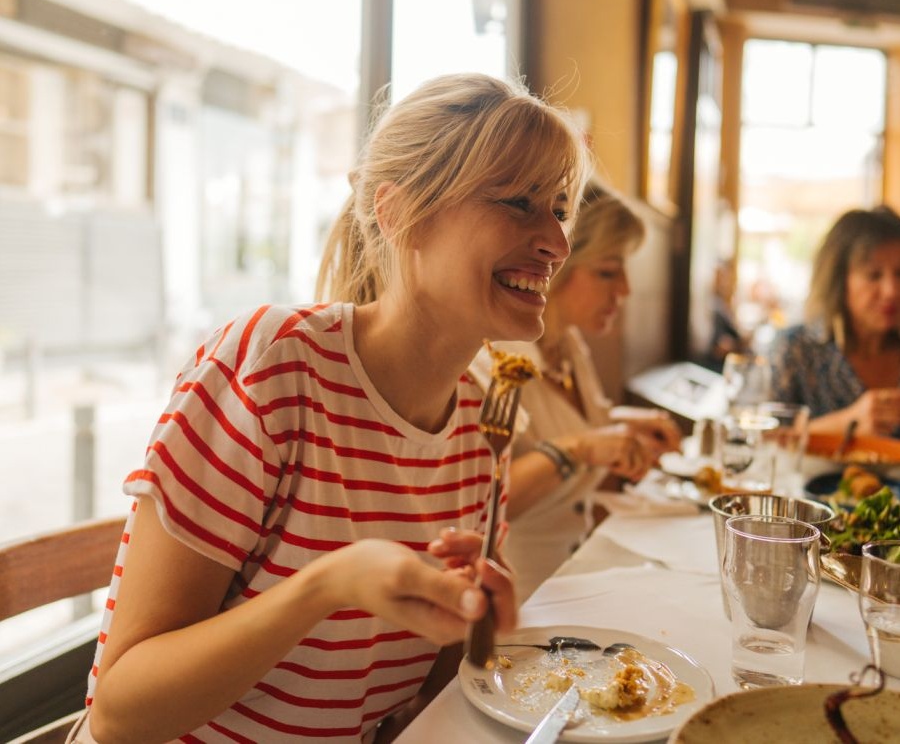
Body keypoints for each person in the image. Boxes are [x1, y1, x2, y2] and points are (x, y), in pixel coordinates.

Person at [75, 73, 592, 744]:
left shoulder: (477, 425)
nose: (556, 240)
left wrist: (470, 618)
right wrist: (331, 584)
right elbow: (120, 712)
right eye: (521, 202)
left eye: (558, 205)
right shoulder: (270, 365)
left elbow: (428, 692)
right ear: (400, 211)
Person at [471, 180, 680, 602]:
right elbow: (484, 500)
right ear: (560, 265)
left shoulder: (566, 345)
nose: (624, 290)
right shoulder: (498, 360)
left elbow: (573, 426)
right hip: (524, 600)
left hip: (580, 576)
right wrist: (583, 447)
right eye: (607, 271)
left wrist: (626, 425)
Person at [769, 205, 900, 437]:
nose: (891, 291)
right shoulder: (797, 350)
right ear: (839, 281)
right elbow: (761, 443)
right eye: (873, 275)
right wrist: (847, 423)